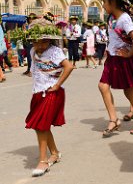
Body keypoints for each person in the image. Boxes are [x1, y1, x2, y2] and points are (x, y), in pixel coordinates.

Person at [21, 18, 73, 177]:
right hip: (38, 92)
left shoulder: (55, 51)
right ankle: (55, 153)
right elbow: (35, 71)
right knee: (41, 125)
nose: (40, 45)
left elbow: (69, 67)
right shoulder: (32, 52)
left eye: (44, 42)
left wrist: (57, 85)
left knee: (41, 125)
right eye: (37, 42)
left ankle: (43, 161)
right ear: (32, 41)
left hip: (52, 92)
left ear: (49, 40)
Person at [98, 0, 133, 137]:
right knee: (103, 86)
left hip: (123, 60)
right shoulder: (111, 17)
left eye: (105, 1)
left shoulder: (124, 19)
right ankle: (113, 119)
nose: (103, 5)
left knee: (129, 91)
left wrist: (129, 54)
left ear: (113, 2)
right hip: (112, 59)